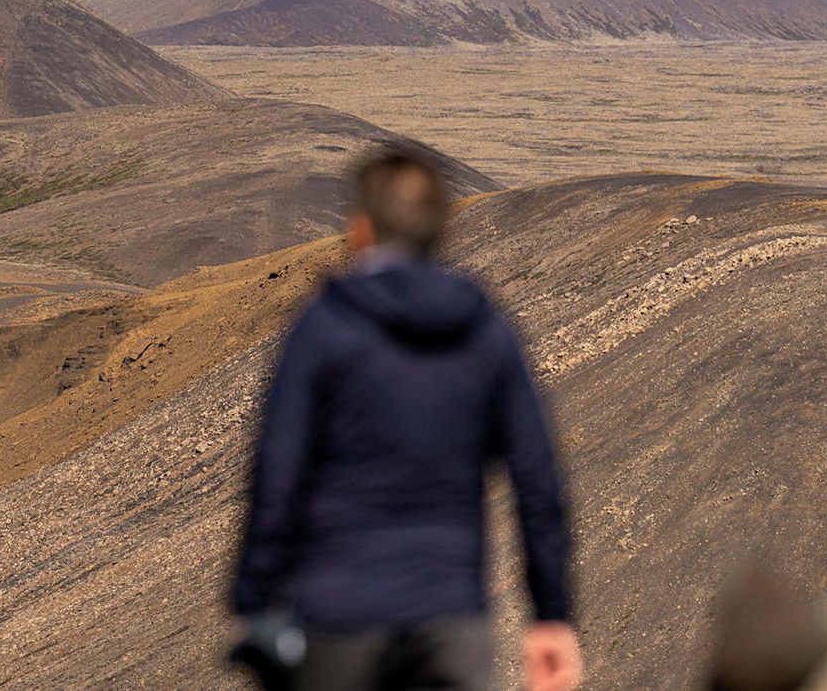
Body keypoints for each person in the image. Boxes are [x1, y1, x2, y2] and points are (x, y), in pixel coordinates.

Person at [231, 149, 582, 691]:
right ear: (442, 228)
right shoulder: (486, 331)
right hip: (450, 616)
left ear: (360, 229)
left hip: (337, 615)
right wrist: (551, 615)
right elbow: (537, 477)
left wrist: (254, 600)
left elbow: (278, 469)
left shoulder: (325, 327)